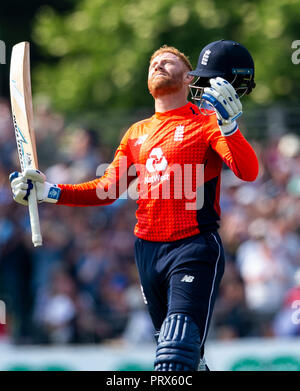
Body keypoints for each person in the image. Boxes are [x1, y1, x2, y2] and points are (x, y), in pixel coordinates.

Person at [9, 40, 259, 371]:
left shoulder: (207, 123)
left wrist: (230, 127)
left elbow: (249, 171)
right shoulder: (136, 132)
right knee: (187, 362)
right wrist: (49, 192)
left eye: (170, 62)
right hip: (147, 252)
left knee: (174, 356)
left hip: (193, 248)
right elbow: (106, 188)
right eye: (154, 62)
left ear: (189, 79)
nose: (158, 64)